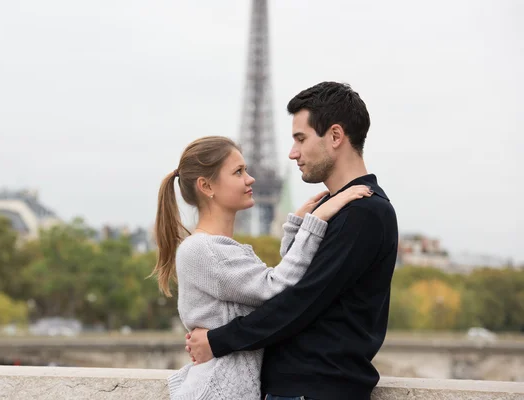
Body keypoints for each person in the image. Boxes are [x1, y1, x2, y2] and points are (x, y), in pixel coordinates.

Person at [186, 82, 399, 400]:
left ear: (335, 136)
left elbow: (300, 301)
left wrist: (218, 340)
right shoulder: (337, 208)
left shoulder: (363, 212)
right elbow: (292, 286)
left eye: (300, 138)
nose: (292, 153)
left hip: (314, 389)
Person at [152, 135, 372, 399]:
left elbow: (274, 291)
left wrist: (294, 228)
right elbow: (275, 287)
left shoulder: (219, 248)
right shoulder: (204, 250)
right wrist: (316, 221)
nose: (250, 178)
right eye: (238, 172)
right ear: (206, 185)